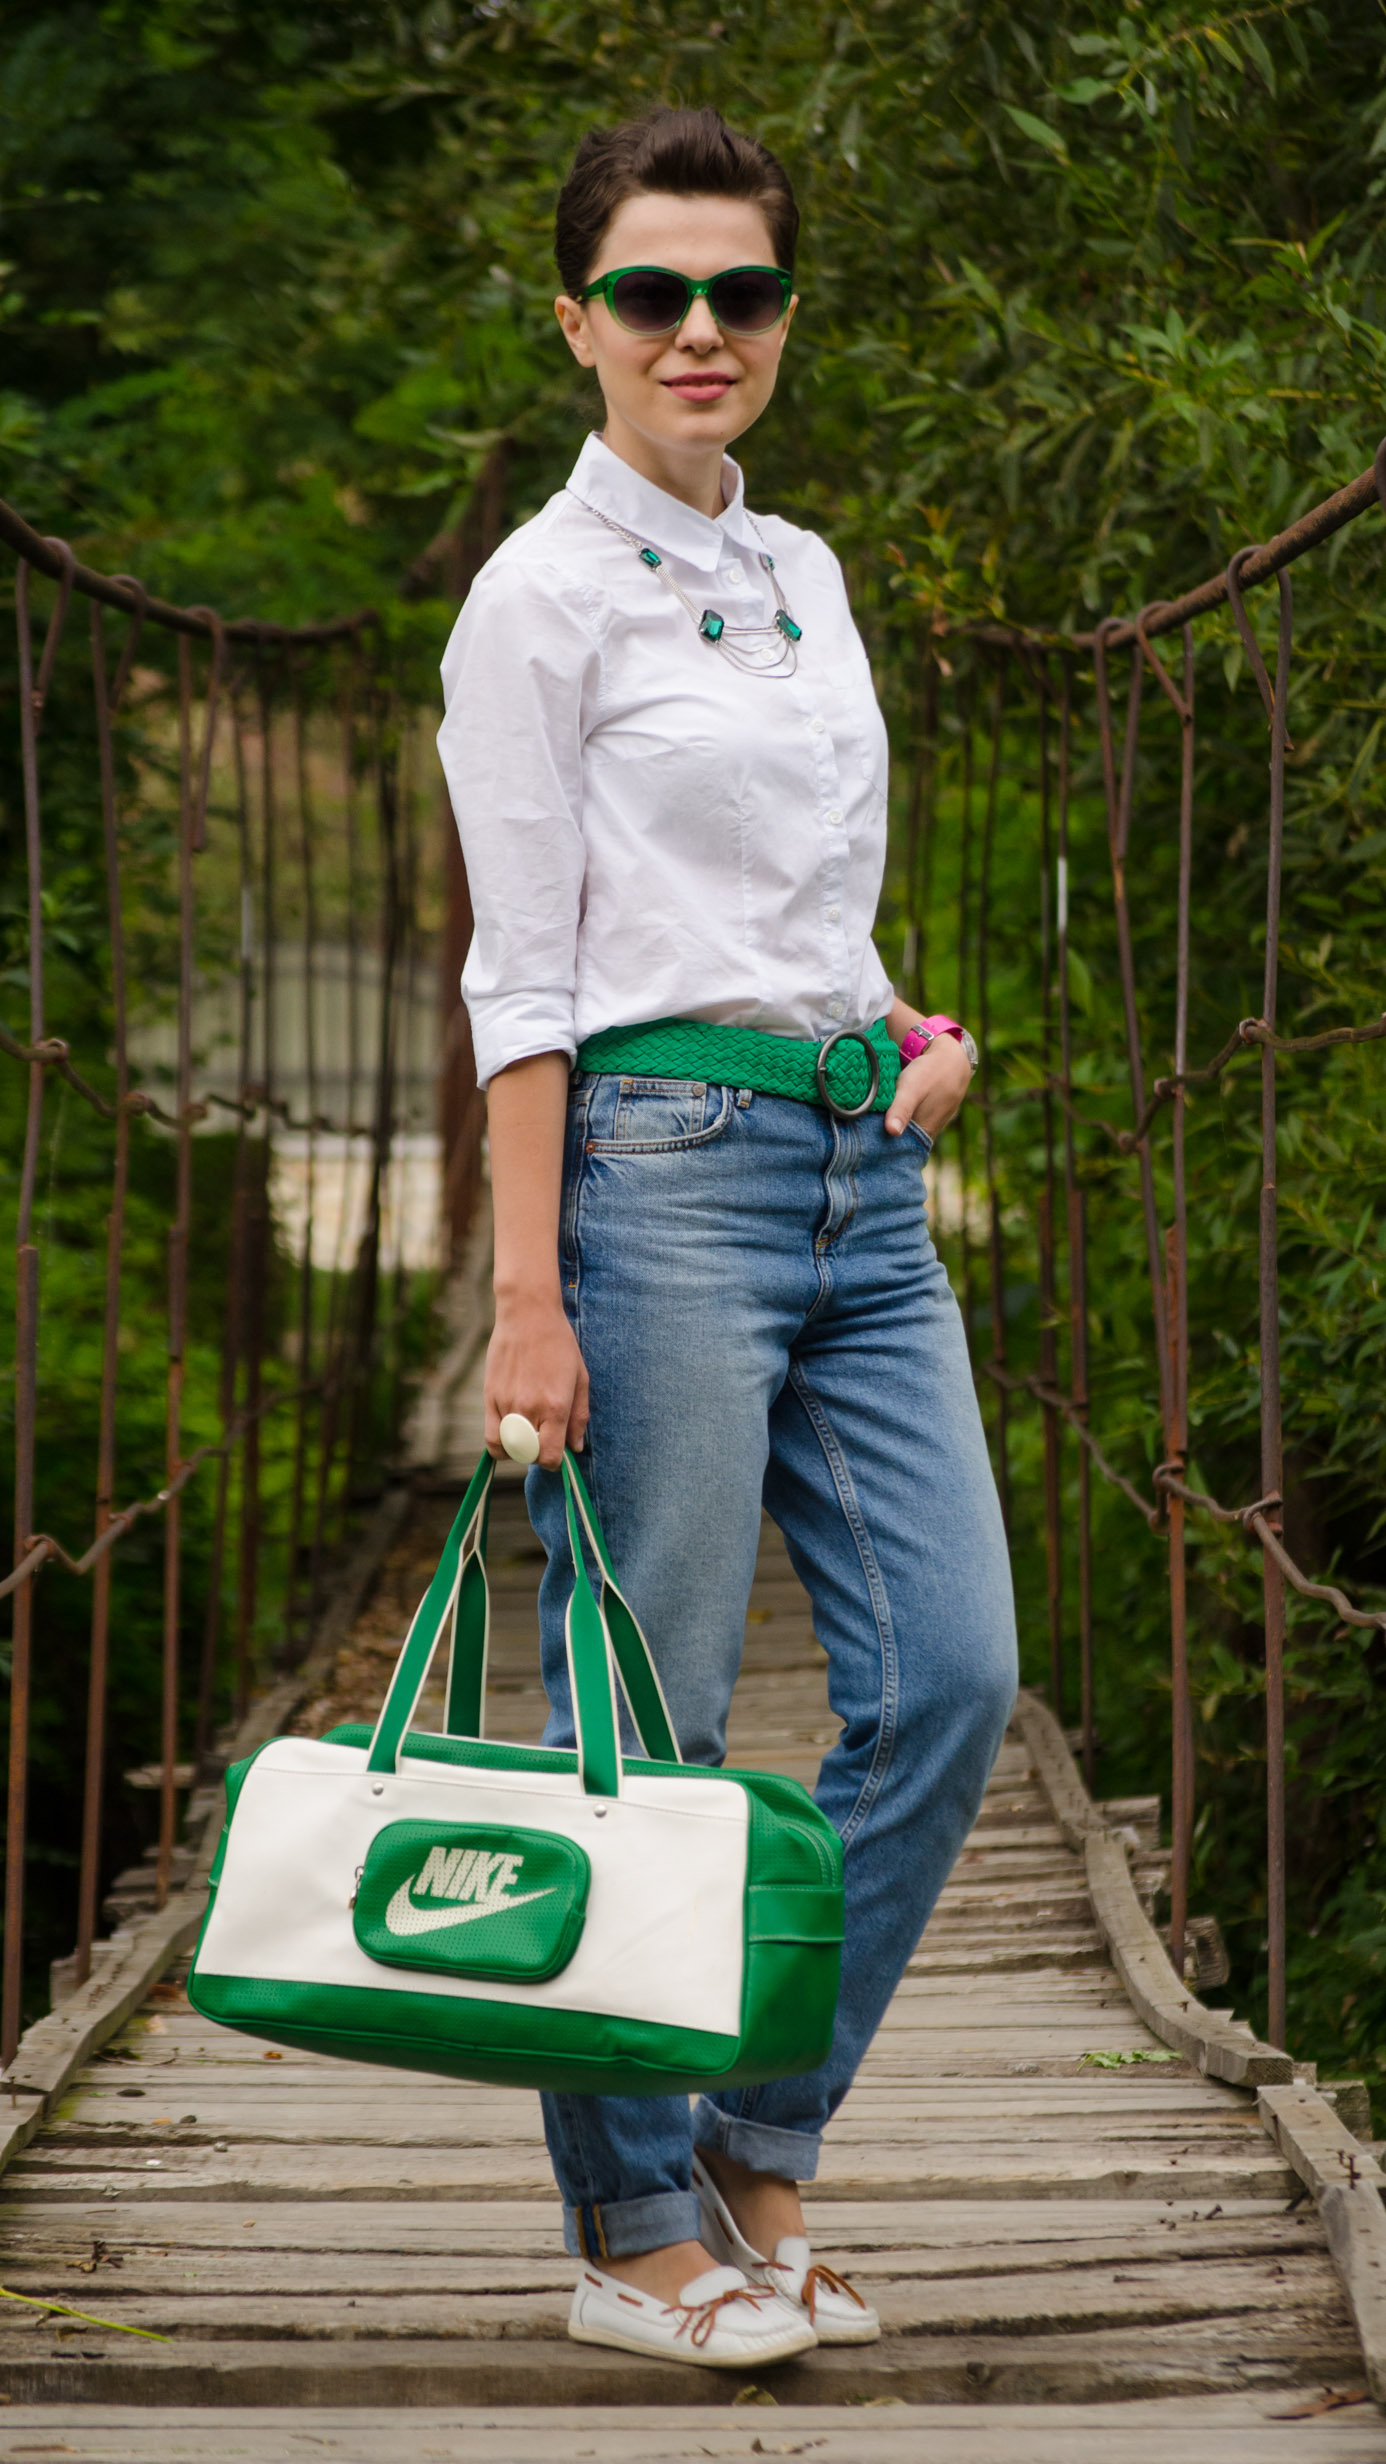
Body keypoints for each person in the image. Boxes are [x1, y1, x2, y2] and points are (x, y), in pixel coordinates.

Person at [437, 104, 1017, 2371]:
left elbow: (798, 908)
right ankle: (628, 2211)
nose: (704, 331)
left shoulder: (808, 572)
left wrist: (898, 1023)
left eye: (743, 291)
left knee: (951, 1674)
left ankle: (766, 2135)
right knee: (645, 1725)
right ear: (578, 318)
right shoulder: (536, 598)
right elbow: (531, 966)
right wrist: (525, 1290)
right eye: (657, 293)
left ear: (782, 316)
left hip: (866, 1177)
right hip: (656, 1184)